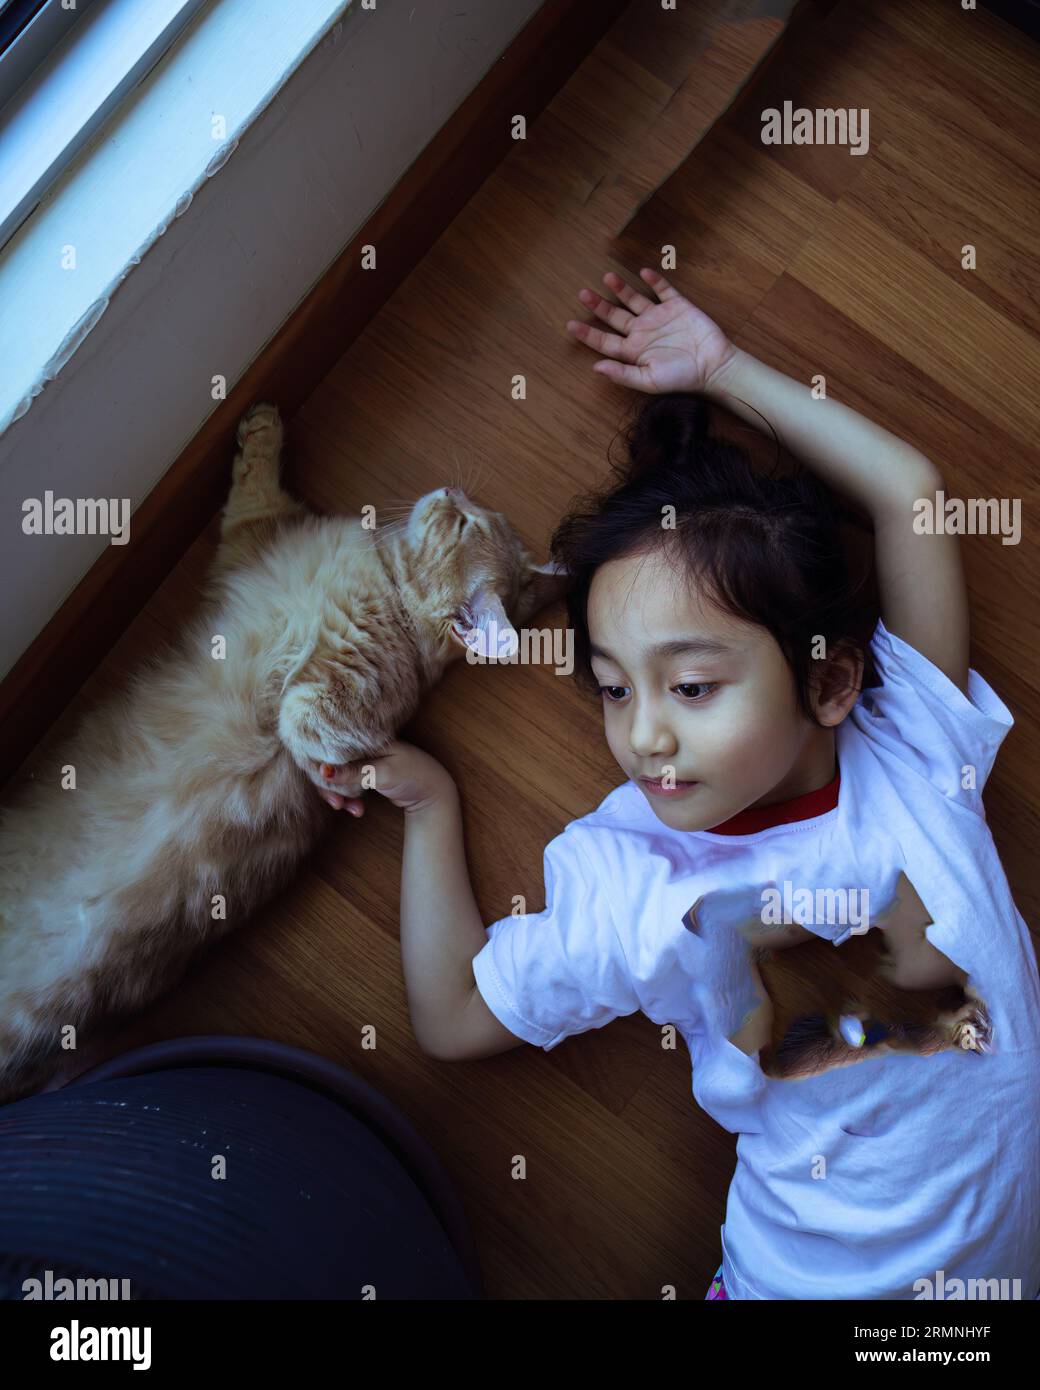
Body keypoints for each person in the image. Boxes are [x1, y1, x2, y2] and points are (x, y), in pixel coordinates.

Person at [315, 268, 1040, 1301]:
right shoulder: (640, 879)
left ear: (826, 680)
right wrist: (431, 804)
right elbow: (453, 1013)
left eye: (691, 685)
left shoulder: (912, 749)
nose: (641, 732)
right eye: (613, 690)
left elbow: (906, 495)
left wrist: (721, 368)